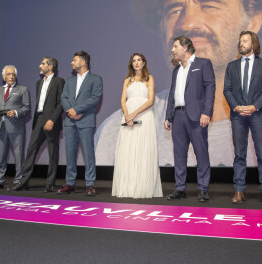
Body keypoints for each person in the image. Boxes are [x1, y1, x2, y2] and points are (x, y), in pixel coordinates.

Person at [95, 0, 262, 169]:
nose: (187, 23)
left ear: (254, 21)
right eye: (174, 10)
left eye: (209, 4)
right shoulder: (117, 130)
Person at [164, 36, 215, 202]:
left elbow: (210, 88)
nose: (173, 50)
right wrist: (168, 116)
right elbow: (172, 94)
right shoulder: (176, 70)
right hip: (178, 116)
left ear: (185, 47)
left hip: (196, 116)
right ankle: (180, 188)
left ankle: (202, 188)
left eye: (175, 46)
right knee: (179, 154)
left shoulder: (203, 64)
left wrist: (206, 112)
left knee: (201, 152)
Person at [9, 57, 64, 192]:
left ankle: (50, 183)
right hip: (39, 118)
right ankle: (24, 182)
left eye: (43, 63)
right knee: (31, 149)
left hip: (52, 120)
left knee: (53, 152)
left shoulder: (59, 81)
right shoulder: (39, 82)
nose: (40, 66)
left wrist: (52, 120)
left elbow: (61, 102)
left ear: (50, 67)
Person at [112, 53, 162, 199]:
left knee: (143, 150)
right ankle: (127, 187)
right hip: (127, 118)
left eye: (139, 60)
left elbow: (151, 100)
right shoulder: (127, 81)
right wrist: (127, 115)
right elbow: (123, 100)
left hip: (144, 117)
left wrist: (134, 114)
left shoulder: (149, 79)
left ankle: (142, 188)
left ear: (144, 62)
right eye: (134, 60)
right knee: (128, 149)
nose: (136, 63)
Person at [224, 31, 262, 204]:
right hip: (238, 115)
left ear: (253, 44)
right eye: (240, 41)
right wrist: (236, 106)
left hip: (257, 114)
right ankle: (239, 190)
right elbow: (227, 90)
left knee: (261, 153)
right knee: (240, 154)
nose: (241, 44)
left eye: (245, 41)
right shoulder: (232, 66)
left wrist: (255, 106)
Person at [58, 51, 103, 196]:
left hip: (86, 121)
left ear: (83, 62)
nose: (72, 62)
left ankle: (90, 184)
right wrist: (71, 111)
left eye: (74, 60)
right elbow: (63, 98)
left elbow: (95, 98)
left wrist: (76, 109)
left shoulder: (96, 79)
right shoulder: (69, 81)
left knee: (88, 153)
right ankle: (70, 183)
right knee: (70, 153)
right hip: (70, 122)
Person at [0, 65, 31, 189]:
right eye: (8, 74)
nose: (11, 76)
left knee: (18, 155)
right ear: (4, 77)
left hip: (16, 127)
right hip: (0, 126)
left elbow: (27, 108)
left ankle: (19, 181)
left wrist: (16, 113)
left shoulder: (23, 89)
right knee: (1, 155)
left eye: (13, 74)